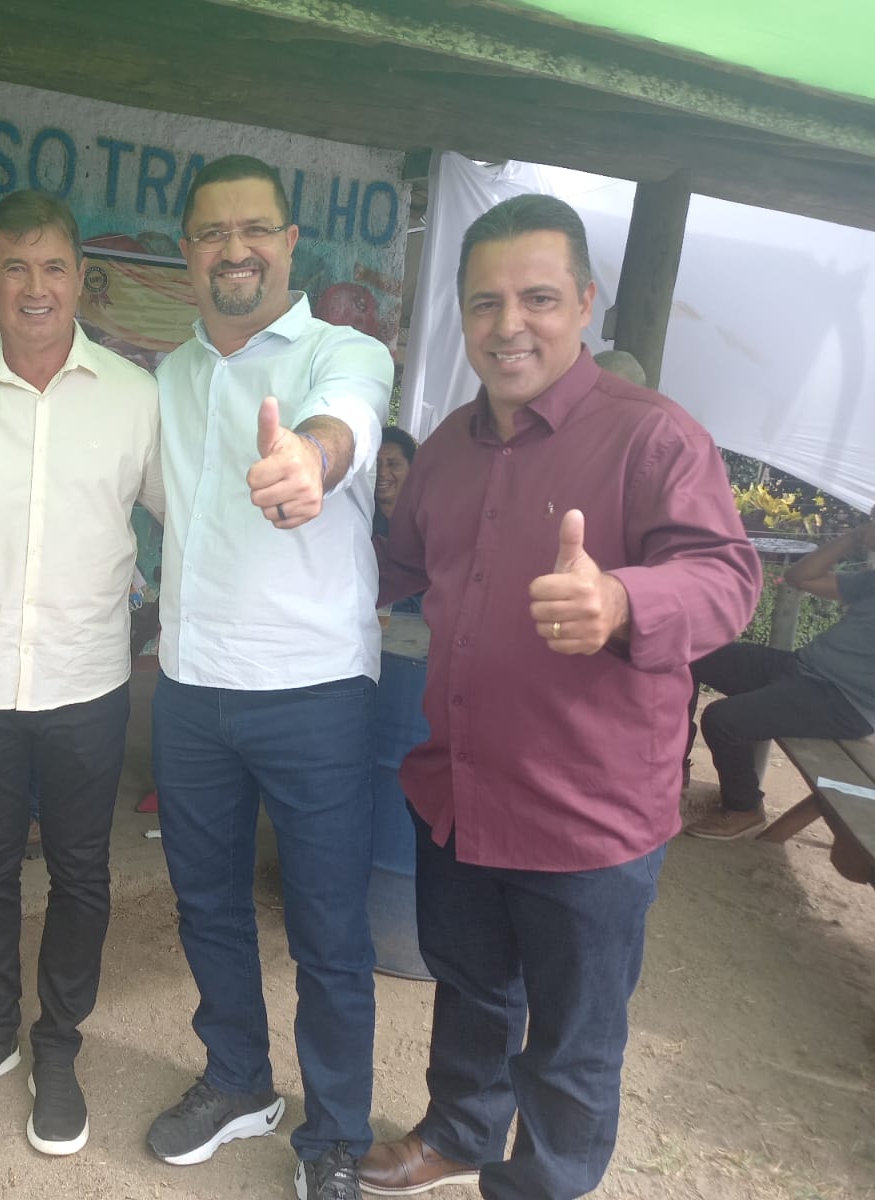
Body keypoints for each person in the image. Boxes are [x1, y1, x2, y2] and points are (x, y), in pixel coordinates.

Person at [369, 193, 760, 1199]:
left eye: (538, 298)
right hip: (459, 792)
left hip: (587, 816)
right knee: (469, 990)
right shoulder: (445, 451)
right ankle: (460, 1134)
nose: (510, 326)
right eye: (485, 302)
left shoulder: (652, 439)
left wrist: (622, 601)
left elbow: (728, 581)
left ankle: (543, 1184)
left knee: (575, 1038)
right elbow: (393, 568)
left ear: (585, 303)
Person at [0, 189, 163, 1157]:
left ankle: (58, 1044)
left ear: (81, 279)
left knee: (83, 872)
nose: (36, 287)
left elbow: (182, 514)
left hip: (87, 678)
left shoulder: (135, 397)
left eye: (53, 268)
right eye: (15, 268)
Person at [143, 153, 393, 1200]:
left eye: (255, 229)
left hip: (314, 693)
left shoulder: (346, 352)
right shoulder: (169, 377)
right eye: (212, 232)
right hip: (191, 689)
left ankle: (334, 1135)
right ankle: (239, 1078)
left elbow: (344, 426)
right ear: (188, 252)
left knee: (329, 930)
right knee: (206, 905)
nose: (234, 249)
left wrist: (309, 461)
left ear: (290, 244)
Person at [684, 519, 875, 839]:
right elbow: (800, 577)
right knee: (690, 655)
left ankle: (744, 807)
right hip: (801, 667)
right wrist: (855, 536)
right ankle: (674, 767)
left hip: (842, 701)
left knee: (723, 720)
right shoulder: (871, 583)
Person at [372, 426, 416, 539]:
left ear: (411, 468)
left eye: (392, 464)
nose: (382, 472)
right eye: (376, 464)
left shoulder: (421, 519)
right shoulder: (361, 516)